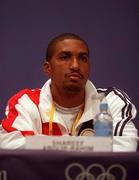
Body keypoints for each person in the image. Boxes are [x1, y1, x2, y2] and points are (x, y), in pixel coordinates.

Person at [0, 33, 138, 151]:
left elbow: (127, 145)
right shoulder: (26, 102)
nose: (75, 66)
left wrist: (47, 144)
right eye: (65, 57)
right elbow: (9, 143)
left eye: (83, 59)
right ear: (48, 68)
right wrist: (90, 146)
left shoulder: (110, 100)